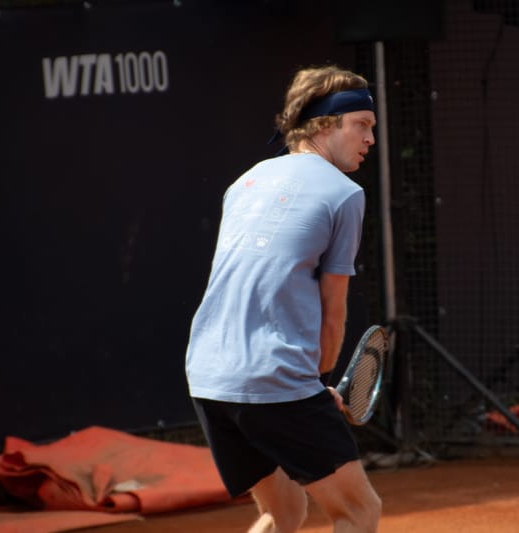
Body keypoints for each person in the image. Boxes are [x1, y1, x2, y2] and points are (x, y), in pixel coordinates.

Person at [185, 65, 381, 532]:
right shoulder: (344, 194)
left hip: (209, 376)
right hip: (274, 376)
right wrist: (319, 382)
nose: (371, 138)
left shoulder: (245, 181)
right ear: (327, 124)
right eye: (363, 125)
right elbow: (333, 312)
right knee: (360, 511)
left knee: (283, 513)